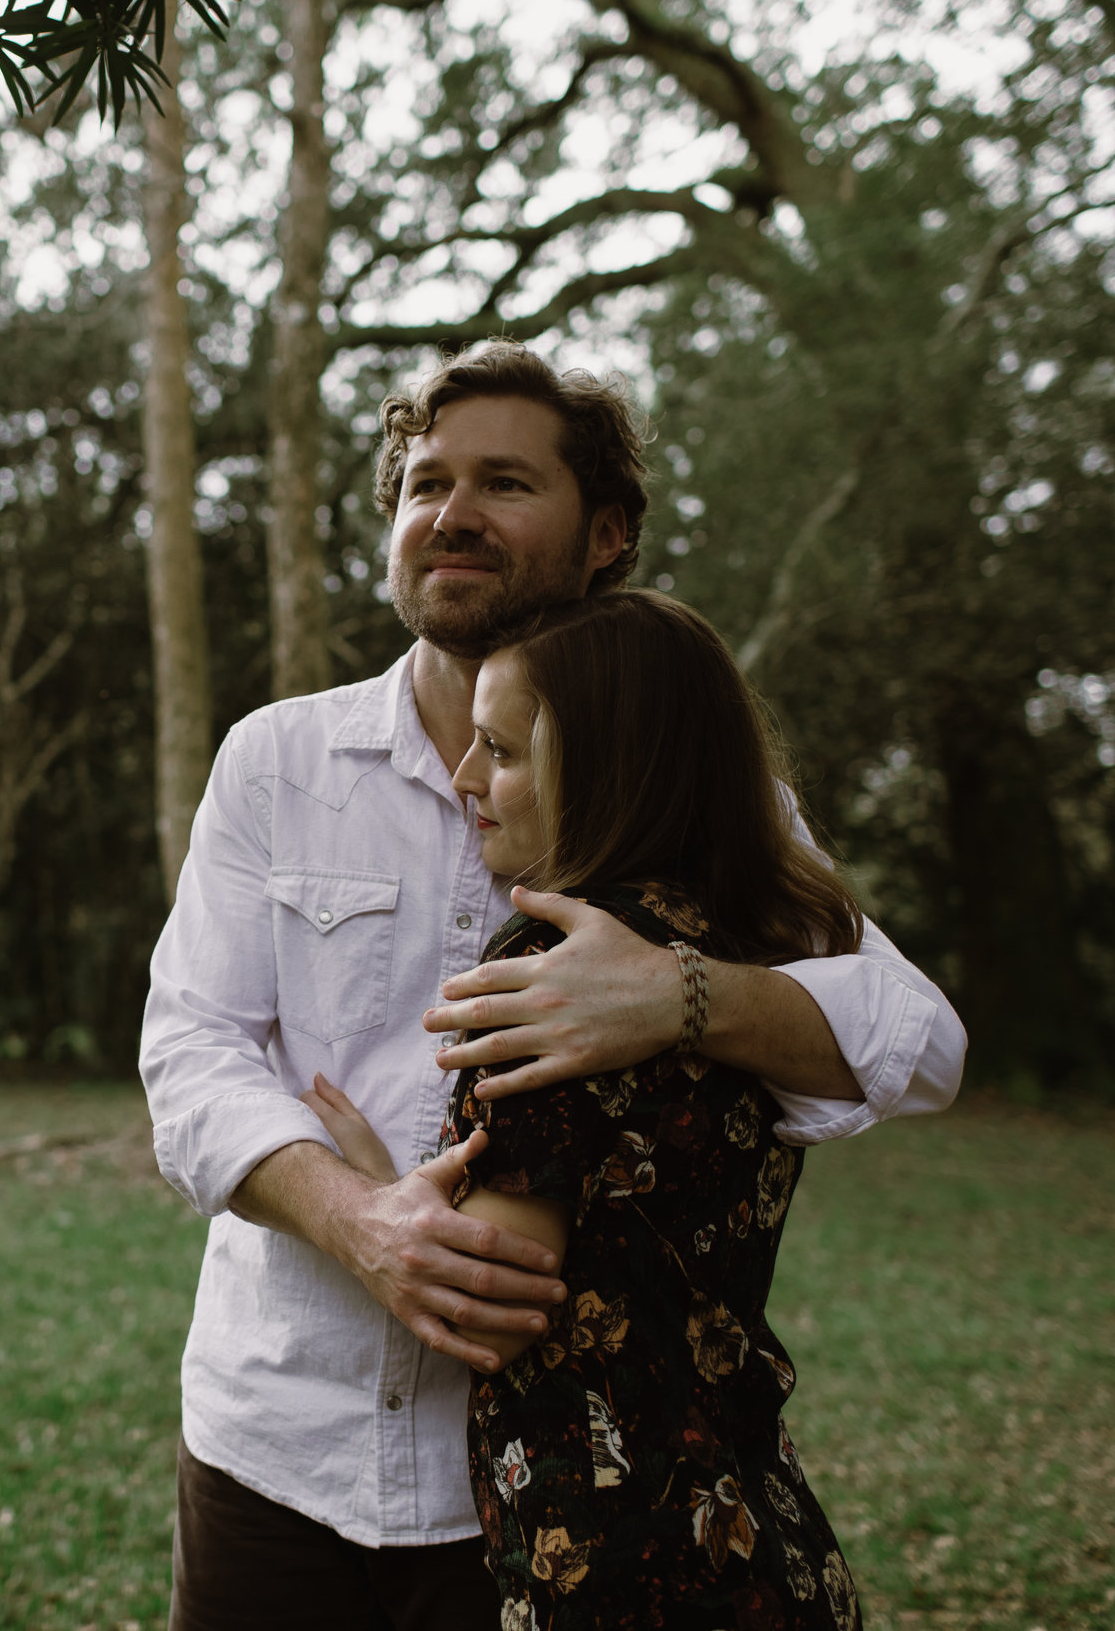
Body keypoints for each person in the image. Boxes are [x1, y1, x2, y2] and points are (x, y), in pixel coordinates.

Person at [140, 340, 964, 1630]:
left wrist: (680, 994)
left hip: (544, 1508)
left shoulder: (700, 802)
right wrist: (363, 1219)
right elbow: (189, 1053)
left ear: (606, 534)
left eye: (505, 483)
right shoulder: (276, 759)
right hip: (270, 1445)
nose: (450, 513)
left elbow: (919, 1041)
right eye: (423, 482)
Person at [302, 590, 870, 1630]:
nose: (468, 780)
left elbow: (490, 1297)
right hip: (763, 1531)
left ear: (607, 770)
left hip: (620, 1569)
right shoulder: (749, 942)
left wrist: (378, 1186)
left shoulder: (548, 981)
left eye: (502, 752)